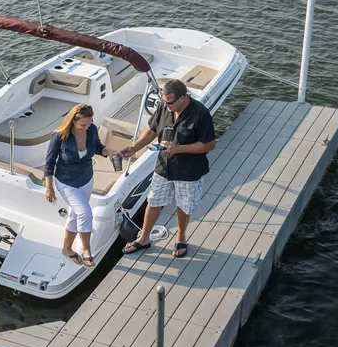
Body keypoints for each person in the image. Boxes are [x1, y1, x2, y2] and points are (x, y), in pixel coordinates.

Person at [119, 79, 216, 258]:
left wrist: (178, 149)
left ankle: (181, 237)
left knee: (183, 204)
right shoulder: (165, 107)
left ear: (183, 97)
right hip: (164, 166)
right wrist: (134, 148)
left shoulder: (200, 113)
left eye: (170, 102)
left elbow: (209, 145)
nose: (166, 105)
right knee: (154, 201)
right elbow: (152, 130)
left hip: (189, 170)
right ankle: (144, 238)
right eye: (164, 101)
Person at [44, 104, 114, 268]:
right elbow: (48, 163)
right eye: (83, 125)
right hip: (66, 181)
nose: (86, 127)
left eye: (89, 124)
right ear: (73, 121)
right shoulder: (59, 136)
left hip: (86, 179)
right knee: (85, 213)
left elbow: (97, 147)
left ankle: (67, 248)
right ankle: (86, 250)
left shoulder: (92, 129)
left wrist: (108, 151)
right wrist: (49, 187)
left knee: (75, 215)